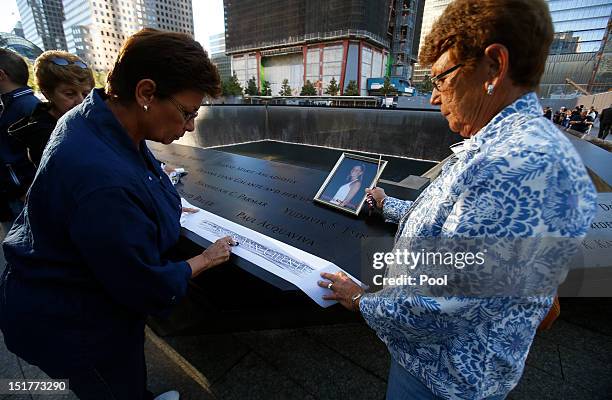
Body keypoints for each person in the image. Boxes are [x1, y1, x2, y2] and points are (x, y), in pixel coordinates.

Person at [317, 1, 597, 399]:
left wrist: (360, 300)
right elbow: (456, 230)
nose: (433, 98)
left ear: (494, 66)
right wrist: (389, 206)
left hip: (444, 379)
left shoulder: (512, 165)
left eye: (440, 78)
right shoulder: (510, 146)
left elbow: (444, 303)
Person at [0, 29, 234, 400]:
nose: (190, 126)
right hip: (73, 323)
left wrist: (162, 201)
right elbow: (143, 284)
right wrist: (205, 259)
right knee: (111, 387)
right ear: (145, 93)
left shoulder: (94, 115)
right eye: (187, 112)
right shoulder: (102, 183)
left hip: (57, 294)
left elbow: (137, 169)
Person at [8, 50, 94, 167]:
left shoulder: (95, 118)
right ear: (46, 93)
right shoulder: (43, 138)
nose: (81, 101)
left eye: (86, 94)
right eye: (69, 94)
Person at [0, 49, 39, 223]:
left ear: (1, 75)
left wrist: (22, 189)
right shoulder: (15, 105)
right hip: (18, 194)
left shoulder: (23, 107)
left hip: (23, 196)